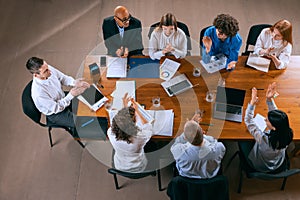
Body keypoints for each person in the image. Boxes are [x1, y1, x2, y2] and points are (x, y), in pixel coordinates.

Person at [26, 57, 90, 135]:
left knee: (88, 103)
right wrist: (71, 95)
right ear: (36, 75)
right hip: (56, 112)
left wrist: (74, 82)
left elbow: (62, 78)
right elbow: (56, 107)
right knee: (83, 122)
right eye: (45, 71)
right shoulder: (38, 94)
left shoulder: (47, 68)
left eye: (47, 67)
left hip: (62, 98)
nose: (50, 71)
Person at [244, 82, 293, 172]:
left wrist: (252, 103)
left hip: (260, 164)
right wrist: (269, 99)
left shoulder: (264, 139)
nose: (265, 120)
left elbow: (248, 121)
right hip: (277, 163)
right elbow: (277, 117)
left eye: (267, 120)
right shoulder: (288, 133)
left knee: (242, 141)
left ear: (274, 128)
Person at [107, 94, 155, 172]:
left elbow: (122, 123)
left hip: (120, 166)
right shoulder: (141, 137)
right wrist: (137, 110)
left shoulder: (110, 132)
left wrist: (125, 107)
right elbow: (147, 126)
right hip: (138, 167)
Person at [171, 113, 226, 179]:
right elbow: (214, 141)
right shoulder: (218, 149)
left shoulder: (178, 151)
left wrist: (189, 129)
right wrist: (196, 129)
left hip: (186, 180)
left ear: (185, 138)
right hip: (210, 179)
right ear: (203, 132)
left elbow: (177, 143)